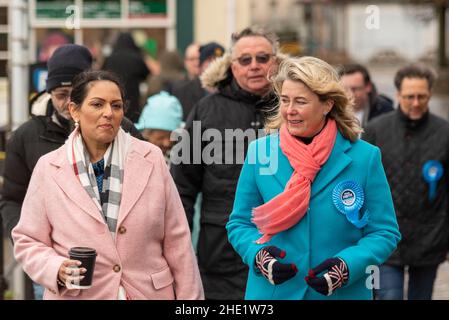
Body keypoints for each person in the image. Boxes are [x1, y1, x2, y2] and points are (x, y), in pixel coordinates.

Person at [11, 70, 204, 300]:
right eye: (97, 104)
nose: (108, 113)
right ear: (74, 110)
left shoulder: (150, 157)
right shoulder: (49, 167)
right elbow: (28, 240)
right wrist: (56, 269)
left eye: (116, 105)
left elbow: (178, 241)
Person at [226, 56, 401, 300]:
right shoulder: (260, 153)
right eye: (285, 100)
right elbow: (239, 224)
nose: (289, 111)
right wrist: (261, 257)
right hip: (273, 294)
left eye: (300, 102)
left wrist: (345, 267)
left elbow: (384, 232)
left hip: (342, 294)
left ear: (327, 104)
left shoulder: (365, 157)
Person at [0, 44, 142, 300]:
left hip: (119, 268)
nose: (68, 103)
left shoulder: (123, 130)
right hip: (54, 264)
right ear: (48, 92)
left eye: (74, 94)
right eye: (60, 94)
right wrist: (30, 244)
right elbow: (12, 198)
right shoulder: (25, 137)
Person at [170, 26, 281, 300]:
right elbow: (181, 186)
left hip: (283, 248)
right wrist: (178, 252)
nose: (254, 66)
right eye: (245, 60)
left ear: (276, 62)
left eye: (262, 58)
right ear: (232, 66)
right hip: (221, 252)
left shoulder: (293, 107)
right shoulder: (206, 110)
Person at [363, 64, 449, 300]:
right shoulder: (375, 131)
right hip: (387, 238)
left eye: (421, 96)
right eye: (409, 96)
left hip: (430, 238)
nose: (415, 102)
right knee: (389, 297)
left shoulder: (445, 133)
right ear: (398, 94)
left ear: (430, 94)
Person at [102, 32, 150, 122]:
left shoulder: (110, 58)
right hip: (133, 97)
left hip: (113, 96)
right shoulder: (137, 58)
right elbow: (146, 74)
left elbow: (102, 75)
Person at [172, 42, 225, 121]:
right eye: (210, 60)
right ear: (201, 65)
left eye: (219, 60)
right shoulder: (184, 91)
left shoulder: (232, 90)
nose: (215, 64)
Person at [135, 91, 183, 165]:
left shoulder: (182, 156)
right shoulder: (135, 157)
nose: (167, 143)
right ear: (146, 134)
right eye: (160, 138)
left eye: (172, 137)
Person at [339, 63, 394, 128]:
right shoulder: (330, 110)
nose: (350, 94)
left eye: (355, 89)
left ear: (368, 87)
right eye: (344, 89)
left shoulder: (385, 112)